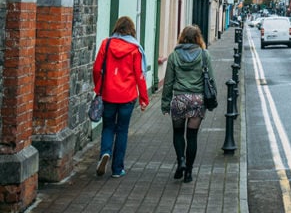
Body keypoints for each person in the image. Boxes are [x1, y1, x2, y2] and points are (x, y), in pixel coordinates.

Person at [92, 16, 149, 178]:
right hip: (127, 97)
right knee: (122, 131)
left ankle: (105, 153)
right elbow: (140, 75)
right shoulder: (135, 49)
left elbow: (96, 69)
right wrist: (144, 98)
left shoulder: (106, 43)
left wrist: (99, 87)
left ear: (117, 28)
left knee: (108, 127)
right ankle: (117, 169)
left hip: (108, 94)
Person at [161, 25, 217, 184]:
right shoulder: (205, 56)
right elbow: (211, 80)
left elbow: (168, 83)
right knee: (192, 136)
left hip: (179, 100)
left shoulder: (174, 56)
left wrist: (165, 104)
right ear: (198, 38)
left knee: (178, 133)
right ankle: (189, 173)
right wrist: (212, 100)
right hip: (197, 101)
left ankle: (181, 161)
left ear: (182, 37)